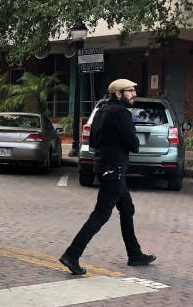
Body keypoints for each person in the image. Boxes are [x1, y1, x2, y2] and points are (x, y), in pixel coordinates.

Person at [58, 79, 156, 275]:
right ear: (119, 94)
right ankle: (72, 254)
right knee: (101, 214)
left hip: (103, 166)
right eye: (130, 91)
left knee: (126, 208)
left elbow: (93, 141)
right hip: (114, 169)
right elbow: (133, 144)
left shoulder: (102, 110)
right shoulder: (121, 113)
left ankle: (134, 254)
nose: (134, 94)